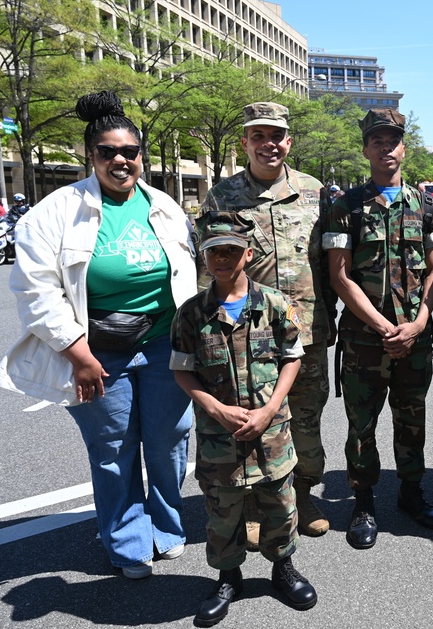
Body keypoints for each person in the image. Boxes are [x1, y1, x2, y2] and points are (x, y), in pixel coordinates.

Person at [0, 91, 196, 579]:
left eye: (129, 151)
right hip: (97, 351)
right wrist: (78, 355)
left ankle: (166, 528)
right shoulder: (56, 211)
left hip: (166, 343)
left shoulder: (162, 203)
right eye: (108, 152)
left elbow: (189, 271)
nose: (121, 160)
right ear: (92, 156)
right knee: (113, 451)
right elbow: (36, 291)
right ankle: (126, 541)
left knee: (170, 442)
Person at [171, 211, 317, 626]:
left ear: (248, 254)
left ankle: (282, 570)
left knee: (280, 506)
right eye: (214, 251)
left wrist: (271, 409)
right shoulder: (191, 314)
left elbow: (293, 358)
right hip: (220, 438)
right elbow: (182, 369)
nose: (222, 258)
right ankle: (227, 578)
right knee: (223, 510)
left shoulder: (274, 305)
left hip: (272, 434)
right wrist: (214, 408)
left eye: (231, 251)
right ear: (204, 257)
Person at [200, 102, 335, 541]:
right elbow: (210, 266)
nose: (268, 144)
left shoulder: (315, 191)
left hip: (308, 329)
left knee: (306, 418)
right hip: (248, 335)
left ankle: (304, 491)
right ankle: (257, 502)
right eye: (258, 136)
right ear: (245, 143)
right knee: (254, 419)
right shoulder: (222, 196)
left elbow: (332, 260)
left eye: (275, 136)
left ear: (288, 142)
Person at [323, 108, 433, 550]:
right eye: (377, 140)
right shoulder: (344, 206)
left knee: (412, 420)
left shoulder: (425, 205)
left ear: (403, 147)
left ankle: (412, 493)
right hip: (364, 342)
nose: (385, 147)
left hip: (415, 338)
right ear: (365, 148)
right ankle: (364, 501)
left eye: (392, 140)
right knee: (362, 425)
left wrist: (418, 323)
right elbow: (340, 275)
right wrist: (383, 327)